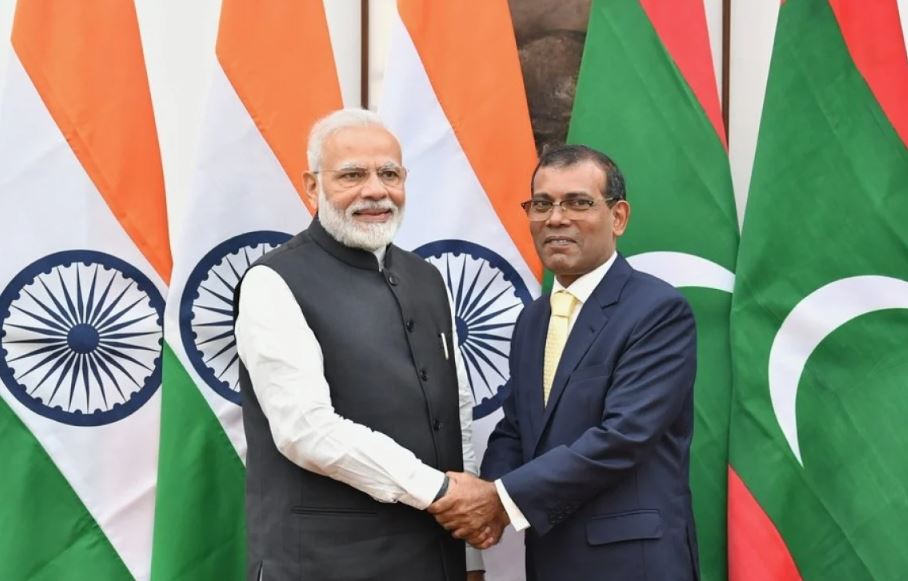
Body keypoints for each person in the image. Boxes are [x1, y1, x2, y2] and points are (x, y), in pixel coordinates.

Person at [235, 108, 484, 581]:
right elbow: (305, 430)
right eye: (352, 175)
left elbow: (456, 413)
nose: (375, 190)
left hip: (435, 563)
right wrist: (439, 492)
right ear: (313, 186)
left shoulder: (427, 278)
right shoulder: (273, 281)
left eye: (389, 173)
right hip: (324, 564)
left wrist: (469, 551)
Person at [430, 144, 699, 580]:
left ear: (618, 217)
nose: (556, 219)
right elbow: (516, 427)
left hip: (632, 565)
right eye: (542, 204)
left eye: (578, 202)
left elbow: (623, 437)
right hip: (551, 560)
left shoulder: (658, 311)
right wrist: (488, 497)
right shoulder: (533, 318)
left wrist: (499, 499)